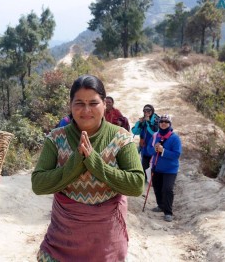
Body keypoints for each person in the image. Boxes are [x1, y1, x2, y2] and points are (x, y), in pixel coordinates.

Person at [31, 74, 144, 261]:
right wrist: (76, 163)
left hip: (105, 240)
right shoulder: (56, 138)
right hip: (63, 239)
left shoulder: (121, 138)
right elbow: (38, 184)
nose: (86, 110)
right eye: (79, 103)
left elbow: (136, 184)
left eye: (93, 103)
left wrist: (94, 162)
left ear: (104, 104)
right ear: (70, 105)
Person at [147, 114, 182, 222]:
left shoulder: (175, 138)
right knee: (157, 188)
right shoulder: (155, 136)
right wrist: (155, 149)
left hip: (170, 169)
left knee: (167, 189)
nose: (163, 123)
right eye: (161, 121)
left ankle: (168, 212)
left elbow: (176, 154)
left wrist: (164, 151)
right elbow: (148, 150)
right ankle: (160, 205)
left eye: (166, 122)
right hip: (156, 167)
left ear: (170, 124)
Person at [131, 104, 159, 182]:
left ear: (152, 111)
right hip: (144, 146)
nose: (146, 112)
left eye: (148, 111)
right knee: (144, 163)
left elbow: (154, 132)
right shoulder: (143, 120)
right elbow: (135, 131)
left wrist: (148, 123)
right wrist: (139, 123)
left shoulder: (157, 120)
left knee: (154, 163)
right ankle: (146, 178)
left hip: (154, 145)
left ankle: (154, 179)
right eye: (145, 111)